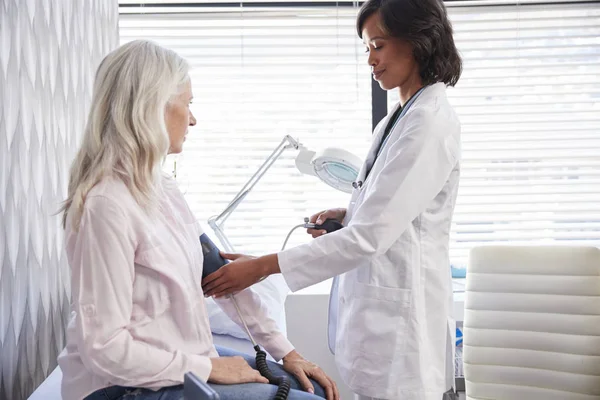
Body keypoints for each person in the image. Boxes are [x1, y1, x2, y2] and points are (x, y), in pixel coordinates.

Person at [201, 0, 463, 399]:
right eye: (366, 49)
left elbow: (371, 237)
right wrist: (350, 212)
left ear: (417, 42)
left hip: (401, 323)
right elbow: (393, 211)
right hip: (378, 313)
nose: (371, 60)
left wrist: (262, 268)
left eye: (379, 45)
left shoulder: (428, 122)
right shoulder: (398, 118)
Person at [57, 40, 339, 400]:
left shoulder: (163, 190)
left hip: (181, 361)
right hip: (122, 387)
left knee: (309, 386)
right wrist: (209, 368)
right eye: (187, 104)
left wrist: (288, 352)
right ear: (153, 107)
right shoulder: (106, 205)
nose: (192, 118)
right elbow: (104, 349)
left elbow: (218, 277)